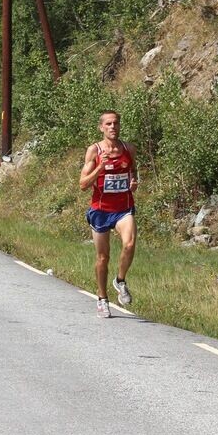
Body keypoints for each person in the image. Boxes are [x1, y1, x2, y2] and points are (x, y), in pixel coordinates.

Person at [79, 110, 139, 318]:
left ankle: (120, 281)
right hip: (101, 211)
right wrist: (100, 168)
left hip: (123, 208)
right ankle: (103, 298)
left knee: (129, 244)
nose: (113, 127)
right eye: (109, 124)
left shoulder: (128, 149)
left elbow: (133, 171)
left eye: (116, 123)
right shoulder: (94, 151)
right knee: (103, 257)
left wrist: (133, 181)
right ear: (101, 127)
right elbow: (83, 184)